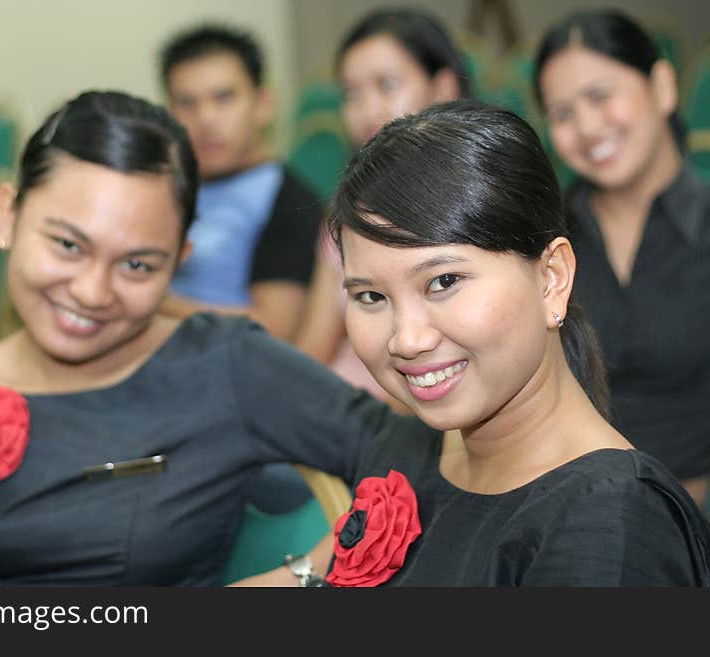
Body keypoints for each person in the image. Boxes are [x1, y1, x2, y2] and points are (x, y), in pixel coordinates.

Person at [0, 90, 424, 586]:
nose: (93, 292)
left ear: (178, 264)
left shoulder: (224, 362)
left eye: (138, 264)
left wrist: (300, 578)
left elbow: (411, 457)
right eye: (68, 246)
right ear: (8, 215)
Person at [237, 100, 710, 586]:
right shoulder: (413, 443)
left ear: (551, 278)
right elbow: (319, 575)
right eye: (371, 295)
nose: (407, 339)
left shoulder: (608, 524)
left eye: (443, 282)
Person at [533, 9, 710, 509]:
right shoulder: (541, 243)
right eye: (563, 113)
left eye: (600, 96)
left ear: (662, 87)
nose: (587, 127)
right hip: (563, 508)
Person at [294, 7, 469, 413]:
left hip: (415, 409)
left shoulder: (474, 207)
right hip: (340, 406)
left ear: (443, 87)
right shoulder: (347, 211)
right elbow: (313, 347)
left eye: (386, 85)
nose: (367, 109)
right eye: (351, 94)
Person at [157, 24, 321, 343]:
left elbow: (273, 328)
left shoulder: (289, 200)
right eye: (187, 103)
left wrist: (152, 305)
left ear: (263, 104)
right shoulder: (162, 188)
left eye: (224, 97)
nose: (206, 119)